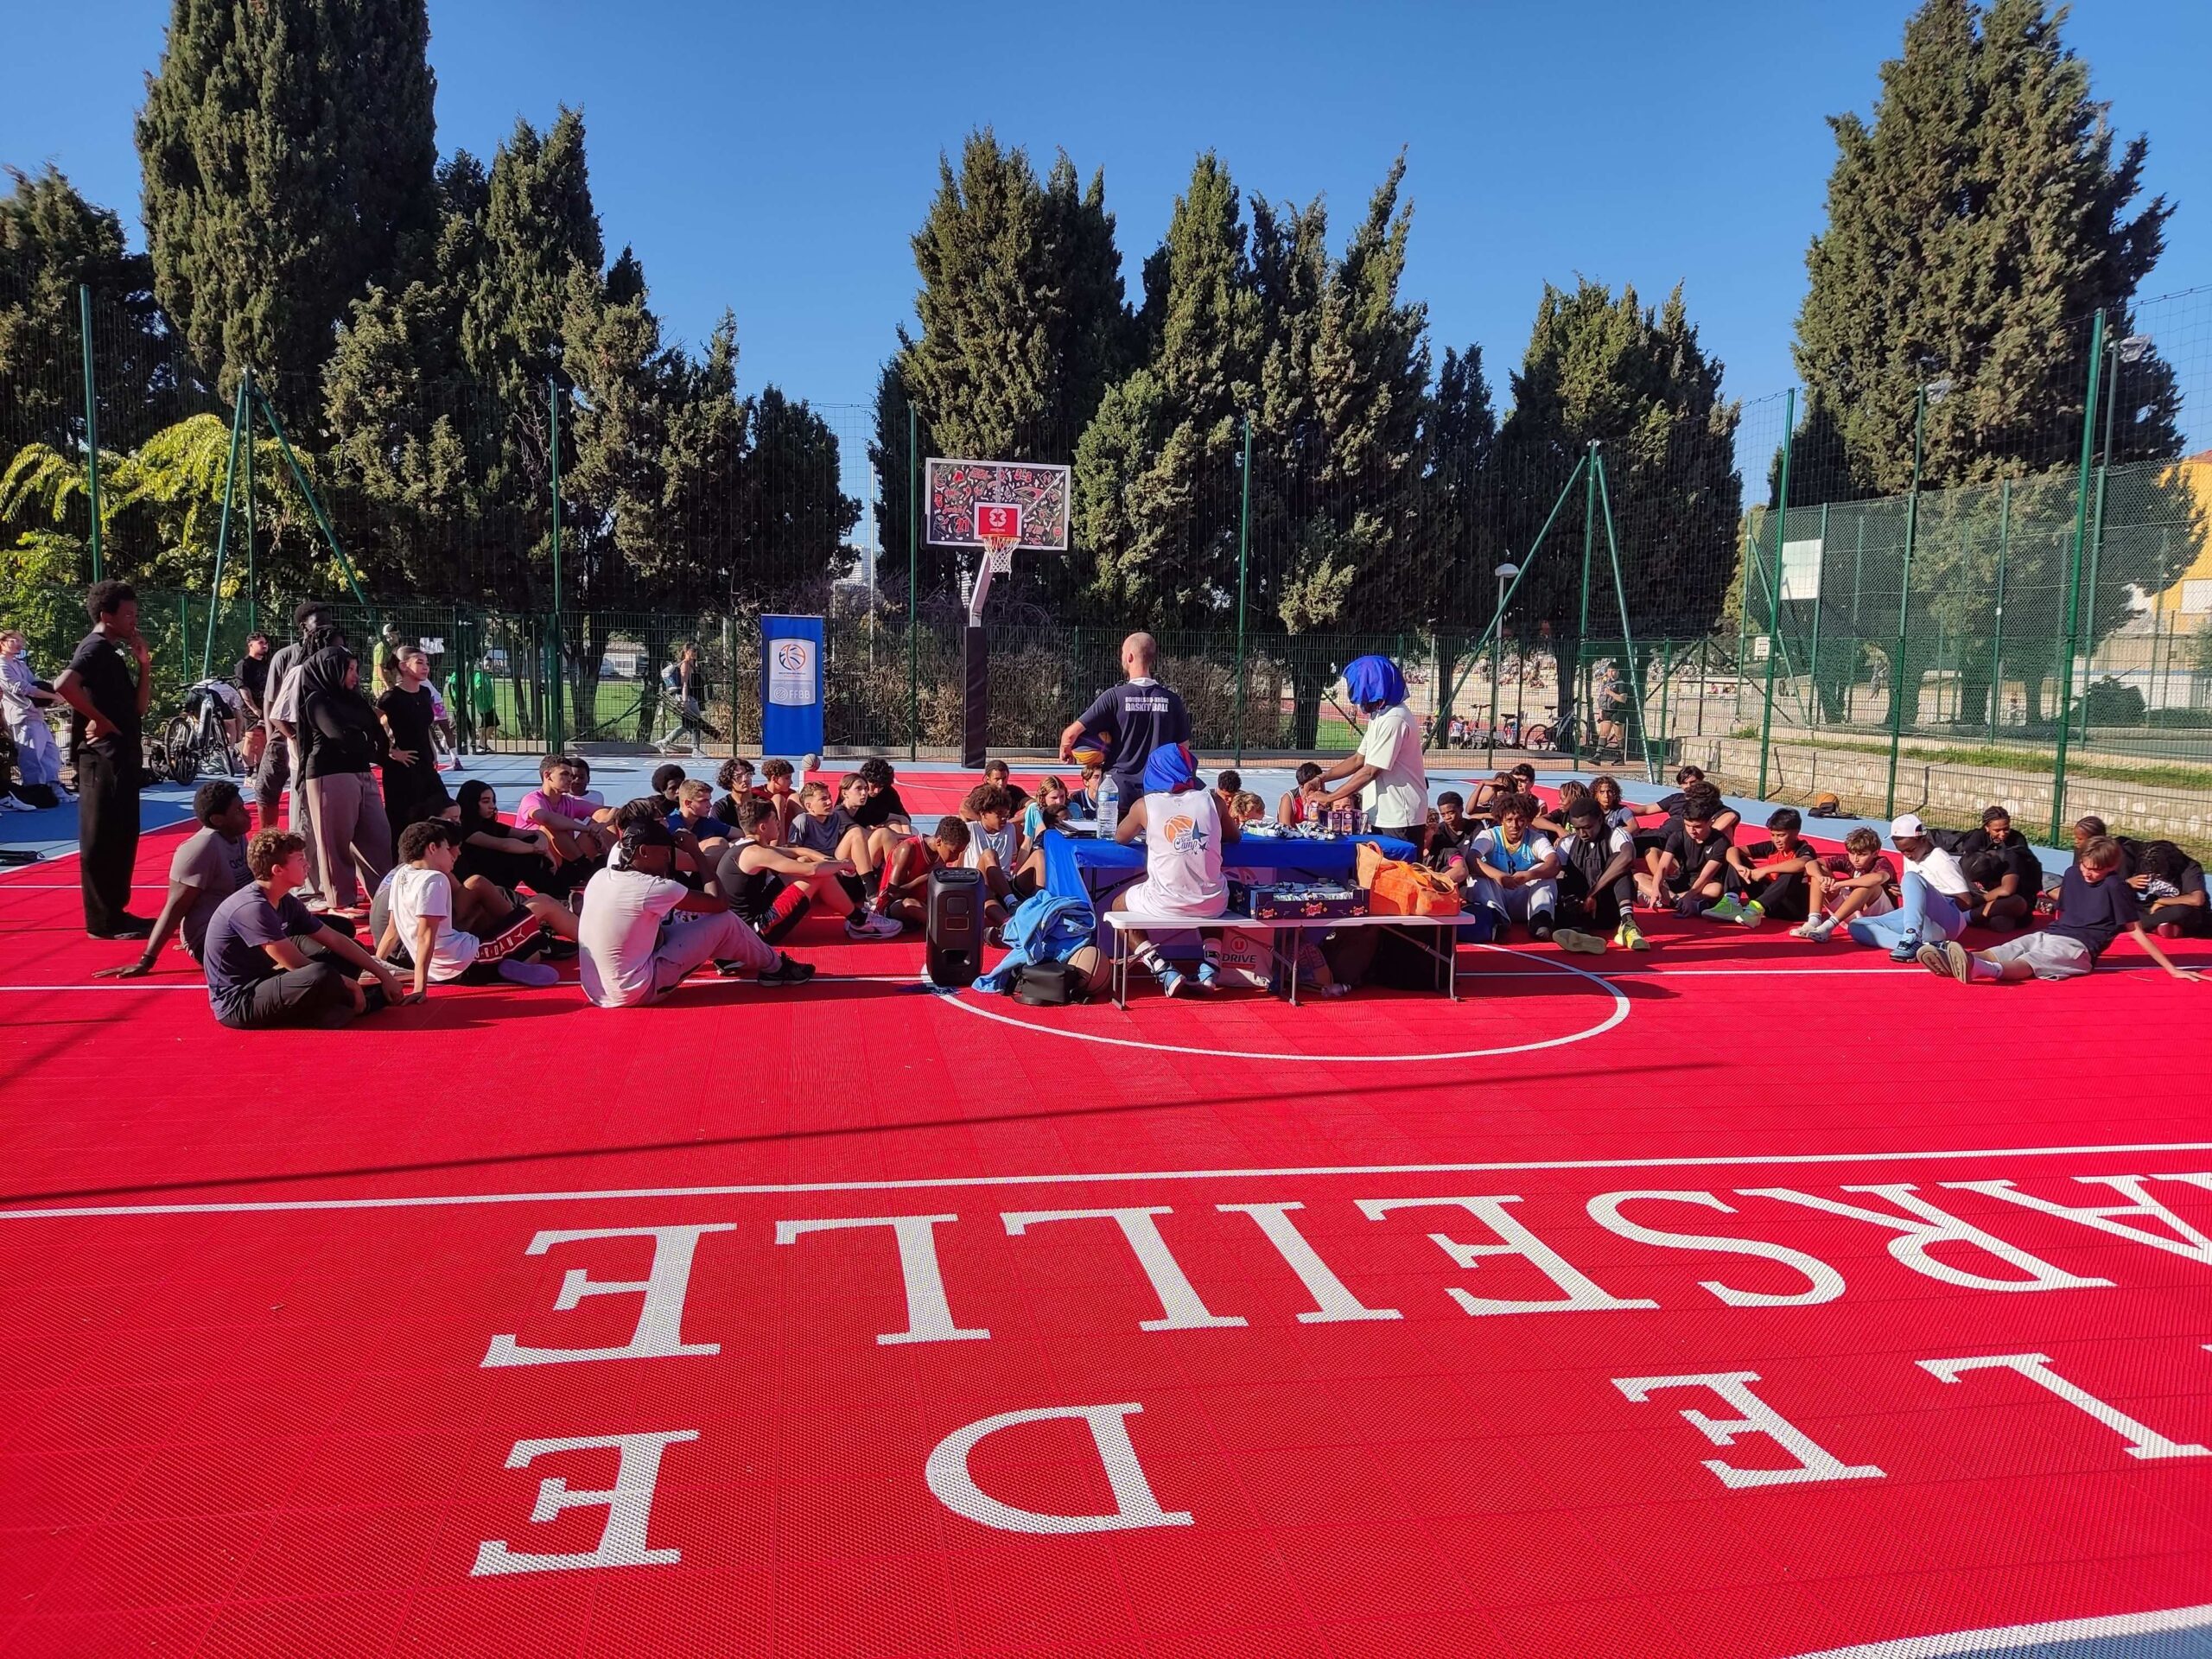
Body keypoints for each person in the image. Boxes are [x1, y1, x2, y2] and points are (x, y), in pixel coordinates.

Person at [577, 815, 810, 1007]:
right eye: (665, 854)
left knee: (680, 922)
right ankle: (776, 968)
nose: (668, 862)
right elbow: (720, 903)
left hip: (597, 990)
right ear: (644, 851)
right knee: (724, 921)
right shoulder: (650, 887)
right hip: (635, 991)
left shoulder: (600, 876)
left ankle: (732, 956)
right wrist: (696, 853)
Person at [1918, 836, 2202, 986]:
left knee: (2030, 960)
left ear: (2111, 867)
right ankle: (1957, 960)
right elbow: (2062, 912)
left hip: (2079, 948)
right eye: (2086, 866)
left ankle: (1976, 966)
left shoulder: (2115, 887)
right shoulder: (2074, 873)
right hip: (2053, 935)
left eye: (2096, 870)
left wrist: (2171, 968)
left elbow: (2135, 930)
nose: (2088, 873)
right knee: (2006, 949)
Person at [200, 830, 412, 1028]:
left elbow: (335, 939)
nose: (308, 865)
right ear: (278, 870)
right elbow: (295, 963)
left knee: (346, 952)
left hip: (265, 980)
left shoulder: (285, 900)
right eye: (300, 860)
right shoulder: (253, 908)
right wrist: (352, 985)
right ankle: (346, 1005)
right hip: (239, 1000)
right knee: (320, 973)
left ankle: (335, 1007)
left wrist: (383, 974)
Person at [51, 581, 155, 938]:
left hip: (122, 756)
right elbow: (63, 684)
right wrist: (98, 719)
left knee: (122, 833)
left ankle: (116, 912)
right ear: (105, 615)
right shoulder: (94, 647)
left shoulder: (112, 652)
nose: (133, 621)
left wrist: (144, 664)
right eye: (127, 614)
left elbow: (139, 708)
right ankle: (102, 921)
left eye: (135, 614)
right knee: (101, 837)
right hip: (101, 758)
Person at [376, 820, 568, 995]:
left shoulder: (401, 875)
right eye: (447, 848)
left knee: (530, 951)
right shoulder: (434, 880)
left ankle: (509, 963)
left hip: (443, 972)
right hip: (470, 963)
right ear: (433, 848)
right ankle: (584, 943)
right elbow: (425, 935)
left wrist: (376, 968)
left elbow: (392, 931)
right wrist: (419, 988)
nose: (455, 853)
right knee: (544, 902)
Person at [1109, 741, 1236, 995]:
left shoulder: (1144, 805)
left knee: (1118, 906)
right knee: (1210, 891)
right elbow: (1234, 837)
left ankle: (1160, 967)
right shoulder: (1213, 800)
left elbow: (1120, 837)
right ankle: (1210, 966)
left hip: (1164, 902)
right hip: (1213, 903)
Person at [94, 780, 253, 978]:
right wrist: (146, 961)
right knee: (281, 957)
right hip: (213, 941)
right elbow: (175, 907)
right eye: (239, 810)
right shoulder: (200, 848)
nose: (247, 813)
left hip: (241, 927)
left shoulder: (237, 837)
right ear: (218, 819)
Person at [296, 645, 395, 917]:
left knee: (377, 836)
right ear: (332, 670)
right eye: (349, 669)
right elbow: (340, 736)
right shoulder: (317, 700)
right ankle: (340, 901)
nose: (355, 675)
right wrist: (365, 739)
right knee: (335, 842)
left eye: (355, 669)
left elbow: (377, 733)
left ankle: (384, 897)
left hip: (362, 771)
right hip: (330, 774)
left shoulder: (355, 700)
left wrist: (366, 741)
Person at [1058, 632, 1192, 808]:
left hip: (1118, 789)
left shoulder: (1114, 697)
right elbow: (1183, 748)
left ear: (1129, 657)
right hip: (1158, 791)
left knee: (1113, 827)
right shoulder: (1172, 700)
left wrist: (1067, 750)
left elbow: (1071, 734)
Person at [1313, 655, 1427, 849]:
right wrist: (1321, 778)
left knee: (1398, 867)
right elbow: (1359, 759)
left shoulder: (1394, 719)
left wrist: (1330, 798)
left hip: (1399, 816)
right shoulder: (1379, 717)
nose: (1360, 701)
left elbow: (1371, 771)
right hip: (1382, 814)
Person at [1838, 813, 1973, 960]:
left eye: (1910, 849)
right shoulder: (1910, 857)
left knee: (1910, 878)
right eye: (1902, 851)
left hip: (1947, 922)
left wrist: (1925, 895)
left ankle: (1911, 937)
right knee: (1857, 926)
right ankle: (1924, 947)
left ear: (1923, 840)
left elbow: (1966, 902)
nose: (1907, 855)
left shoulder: (1941, 860)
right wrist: (1911, 894)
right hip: (1923, 923)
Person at [1551, 793, 1647, 953]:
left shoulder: (1616, 835)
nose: (1582, 833)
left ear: (1600, 820)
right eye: (1577, 828)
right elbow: (1556, 874)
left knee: (1619, 863)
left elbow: (1628, 857)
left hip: (1607, 906)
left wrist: (1593, 893)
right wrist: (1570, 900)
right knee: (1559, 878)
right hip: (1582, 907)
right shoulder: (1567, 843)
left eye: (1587, 827)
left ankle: (1628, 923)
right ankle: (1582, 934)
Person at [376, 646, 450, 833]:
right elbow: (369, 725)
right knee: (405, 816)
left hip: (425, 762)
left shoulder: (425, 693)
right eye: (419, 662)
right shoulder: (391, 697)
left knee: (441, 807)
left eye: (427, 663)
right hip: (402, 767)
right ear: (404, 666)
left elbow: (424, 727)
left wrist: (433, 752)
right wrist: (391, 751)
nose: (426, 667)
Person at [1469, 792, 1559, 941]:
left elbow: (1554, 863)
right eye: (1509, 820)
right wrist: (1499, 876)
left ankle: (1540, 921)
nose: (1514, 826)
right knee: (1477, 879)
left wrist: (1528, 875)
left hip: (1525, 898)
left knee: (1546, 875)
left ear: (1527, 820)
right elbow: (1472, 859)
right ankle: (1497, 920)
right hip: (1499, 895)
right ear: (1501, 820)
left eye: (1520, 820)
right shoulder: (1490, 835)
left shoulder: (1536, 838)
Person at [1710, 807, 1818, 928]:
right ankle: (1731, 902)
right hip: (1769, 904)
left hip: (1793, 909)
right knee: (1737, 858)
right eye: (1773, 835)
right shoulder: (1771, 847)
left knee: (1794, 870)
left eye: (1781, 835)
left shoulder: (1804, 849)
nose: (1776, 840)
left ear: (1796, 832)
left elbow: (1803, 863)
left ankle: (1755, 910)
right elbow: (1733, 850)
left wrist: (1764, 870)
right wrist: (1738, 866)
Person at [1638, 788, 1738, 916]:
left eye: (1697, 827)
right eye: (1688, 825)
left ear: (1710, 822)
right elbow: (1663, 867)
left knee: (1716, 890)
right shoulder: (1678, 836)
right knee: (1638, 877)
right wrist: (1657, 887)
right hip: (1682, 879)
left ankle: (1666, 899)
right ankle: (1676, 901)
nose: (1692, 831)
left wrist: (1689, 896)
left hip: (1704, 884)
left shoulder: (1720, 842)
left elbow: (1706, 876)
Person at [452, 780, 561, 894]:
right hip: (477, 880)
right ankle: (553, 892)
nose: (492, 806)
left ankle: (554, 887)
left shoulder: (488, 824)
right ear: (471, 803)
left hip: (494, 873)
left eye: (493, 801)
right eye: (485, 801)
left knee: (530, 842)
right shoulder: (464, 828)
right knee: (521, 856)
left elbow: (532, 833)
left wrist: (542, 840)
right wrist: (539, 849)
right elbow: (504, 845)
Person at [0, 627, 67, 810]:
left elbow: (35, 683)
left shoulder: (19, 664)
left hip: (36, 714)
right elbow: (23, 688)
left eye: (21, 640)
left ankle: (53, 787)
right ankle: (36, 791)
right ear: (2, 643)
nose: (19, 643)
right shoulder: (2, 665)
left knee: (50, 752)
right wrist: (53, 696)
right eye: (14, 640)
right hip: (22, 716)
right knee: (31, 756)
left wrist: (53, 694)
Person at [1793, 827, 1898, 940]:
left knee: (1869, 885)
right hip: (1855, 912)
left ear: (1875, 853)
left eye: (1862, 855)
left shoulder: (1882, 863)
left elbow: (1878, 878)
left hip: (1882, 917)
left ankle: (1828, 926)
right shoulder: (1847, 860)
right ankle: (1814, 921)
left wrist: (1840, 884)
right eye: (1852, 853)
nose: (1855, 859)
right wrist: (1822, 878)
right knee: (1820, 871)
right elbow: (1811, 864)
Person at [515, 754, 618, 865]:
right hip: (534, 860)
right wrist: (587, 829)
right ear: (548, 775)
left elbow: (614, 811)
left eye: (570, 775)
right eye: (565, 774)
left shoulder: (570, 802)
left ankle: (612, 862)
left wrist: (603, 824)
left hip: (566, 859)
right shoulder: (531, 799)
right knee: (550, 826)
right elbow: (545, 818)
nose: (570, 779)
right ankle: (583, 866)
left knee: (605, 817)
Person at [1957, 804, 2042, 931]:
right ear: (1987, 828)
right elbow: (1967, 862)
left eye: (2006, 829)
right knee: (2000, 922)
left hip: (2013, 893)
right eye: (1997, 830)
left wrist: (1975, 901)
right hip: (1982, 892)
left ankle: (1966, 917)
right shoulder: (1976, 839)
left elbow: (2007, 890)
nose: (2002, 834)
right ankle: (1983, 914)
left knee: (2004, 918)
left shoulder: (2014, 850)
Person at [2131, 840, 2209, 938]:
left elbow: (2197, 900)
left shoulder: (2190, 868)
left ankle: (2138, 925)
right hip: (2154, 908)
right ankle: (2159, 926)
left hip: (2181, 910)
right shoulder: (2147, 864)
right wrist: (2128, 883)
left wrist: (2162, 901)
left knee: (2182, 911)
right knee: (2124, 904)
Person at [232, 632, 272, 721]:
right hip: (251, 714)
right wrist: (255, 710)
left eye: (266, 643)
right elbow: (243, 688)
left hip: (268, 709)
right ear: (250, 645)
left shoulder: (267, 664)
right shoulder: (244, 665)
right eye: (261, 643)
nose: (265, 646)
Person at [712, 757, 760, 825]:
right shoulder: (721, 808)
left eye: (748, 774)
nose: (745, 779)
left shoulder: (762, 803)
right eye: (739, 777)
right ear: (729, 782)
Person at [1277, 762, 1327, 827]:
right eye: (1313, 786)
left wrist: (1327, 806)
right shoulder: (1289, 798)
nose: (1319, 788)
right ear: (1301, 785)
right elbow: (1285, 828)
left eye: (1321, 783)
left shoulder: (1330, 798)